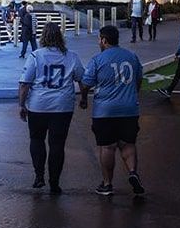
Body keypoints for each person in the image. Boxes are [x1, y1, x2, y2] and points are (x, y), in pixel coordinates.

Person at [79, 24, 145, 197]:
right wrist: (133, 95)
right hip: (129, 109)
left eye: (99, 39)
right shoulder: (132, 56)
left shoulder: (97, 60)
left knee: (107, 147)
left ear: (104, 40)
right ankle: (132, 172)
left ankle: (107, 184)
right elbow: (139, 79)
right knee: (128, 144)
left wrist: (84, 98)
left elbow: (86, 84)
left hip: (105, 111)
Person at [19, 22, 84, 194]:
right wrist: (84, 98)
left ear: (43, 37)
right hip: (62, 107)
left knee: (36, 139)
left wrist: (21, 105)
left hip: (38, 106)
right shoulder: (72, 56)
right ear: (60, 37)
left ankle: (39, 176)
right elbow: (82, 79)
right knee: (57, 145)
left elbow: (25, 84)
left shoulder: (35, 56)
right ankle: (54, 182)